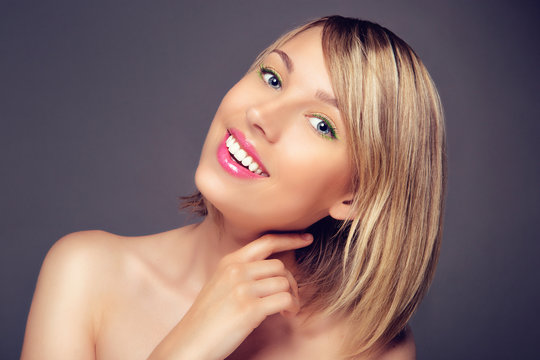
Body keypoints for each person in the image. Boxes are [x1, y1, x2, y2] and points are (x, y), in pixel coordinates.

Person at [21, 15, 446, 360]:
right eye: (273, 78)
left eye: (322, 124)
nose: (262, 113)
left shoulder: (366, 351)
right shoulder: (85, 273)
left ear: (356, 196)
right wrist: (185, 349)